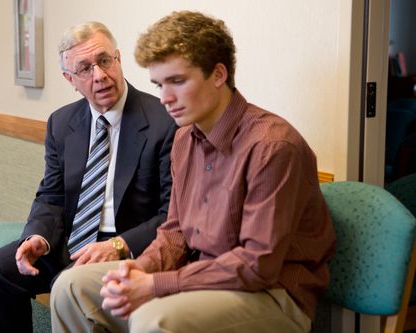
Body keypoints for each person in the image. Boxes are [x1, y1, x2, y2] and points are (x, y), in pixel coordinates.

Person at [50, 11, 335, 333]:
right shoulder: (185, 138)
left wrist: (157, 285)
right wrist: (138, 270)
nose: (165, 98)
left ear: (218, 74)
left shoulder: (273, 147)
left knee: (152, 319)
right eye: (159, 84)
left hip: (272, 294)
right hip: (200, 273)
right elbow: (175, 231)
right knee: (70, 287)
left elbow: (258, 266)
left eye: (178, 81)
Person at [0, 21, 177, 333]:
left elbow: (171, 212)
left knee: (69, 285)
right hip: (68, 241)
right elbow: (51, 196)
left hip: (124, 247)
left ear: (119, 59)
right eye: (84, 68)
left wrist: (119, 245)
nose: (99, 75)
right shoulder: (62, 123)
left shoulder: (164, 121)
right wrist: (37, 237)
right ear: (70, 79)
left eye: (105, 61)